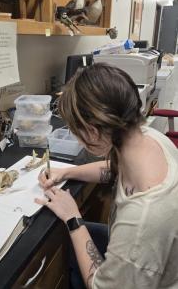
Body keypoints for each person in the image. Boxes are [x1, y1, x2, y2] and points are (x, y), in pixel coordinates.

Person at [35, 62, 178, 289]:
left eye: (75, 132)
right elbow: (114, 168)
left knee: (67, 243)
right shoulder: (145, 137)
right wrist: (67, 172)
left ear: (92, 131)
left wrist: (73, 217)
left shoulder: (143, 220)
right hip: (145, 255)